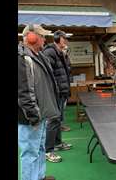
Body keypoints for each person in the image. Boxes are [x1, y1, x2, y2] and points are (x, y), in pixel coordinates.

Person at [18, 24, 60, 180]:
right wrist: (33, 117)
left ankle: (39, 176)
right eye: (41, 36)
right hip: (30, 118)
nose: (44, 39)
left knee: (40, 148)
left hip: (40, 115)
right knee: (29, 152)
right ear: (31, 37)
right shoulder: (22, 58)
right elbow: (24, 93)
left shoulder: (37, 55)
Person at [43, 30, 73, 163]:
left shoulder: (61, 53)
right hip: (55, 92)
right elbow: (48, 74)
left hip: (62, 91)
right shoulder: (50, 52)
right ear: (58, 39)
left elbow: (67, 70)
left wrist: (65, 55)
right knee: (53, 120)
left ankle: (58, 143)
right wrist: (54, 90)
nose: (66, 40)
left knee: (58, 119)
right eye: (64, 38)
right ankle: (48, 150)